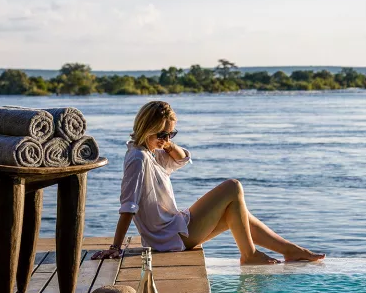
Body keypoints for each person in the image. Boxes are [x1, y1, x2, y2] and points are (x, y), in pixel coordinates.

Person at [93, 101, 326, 264]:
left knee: (236, 210)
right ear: (146, 129)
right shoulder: (138, 158)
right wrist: (115, 247)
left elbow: (183, 158)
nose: (166, 140)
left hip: (173, 229)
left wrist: (169, 145)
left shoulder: (151, 152)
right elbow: (128, 206)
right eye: (162, 135)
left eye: (171, 134)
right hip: (169, 237)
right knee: (233, 186)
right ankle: (250, 254)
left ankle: (290, 250)